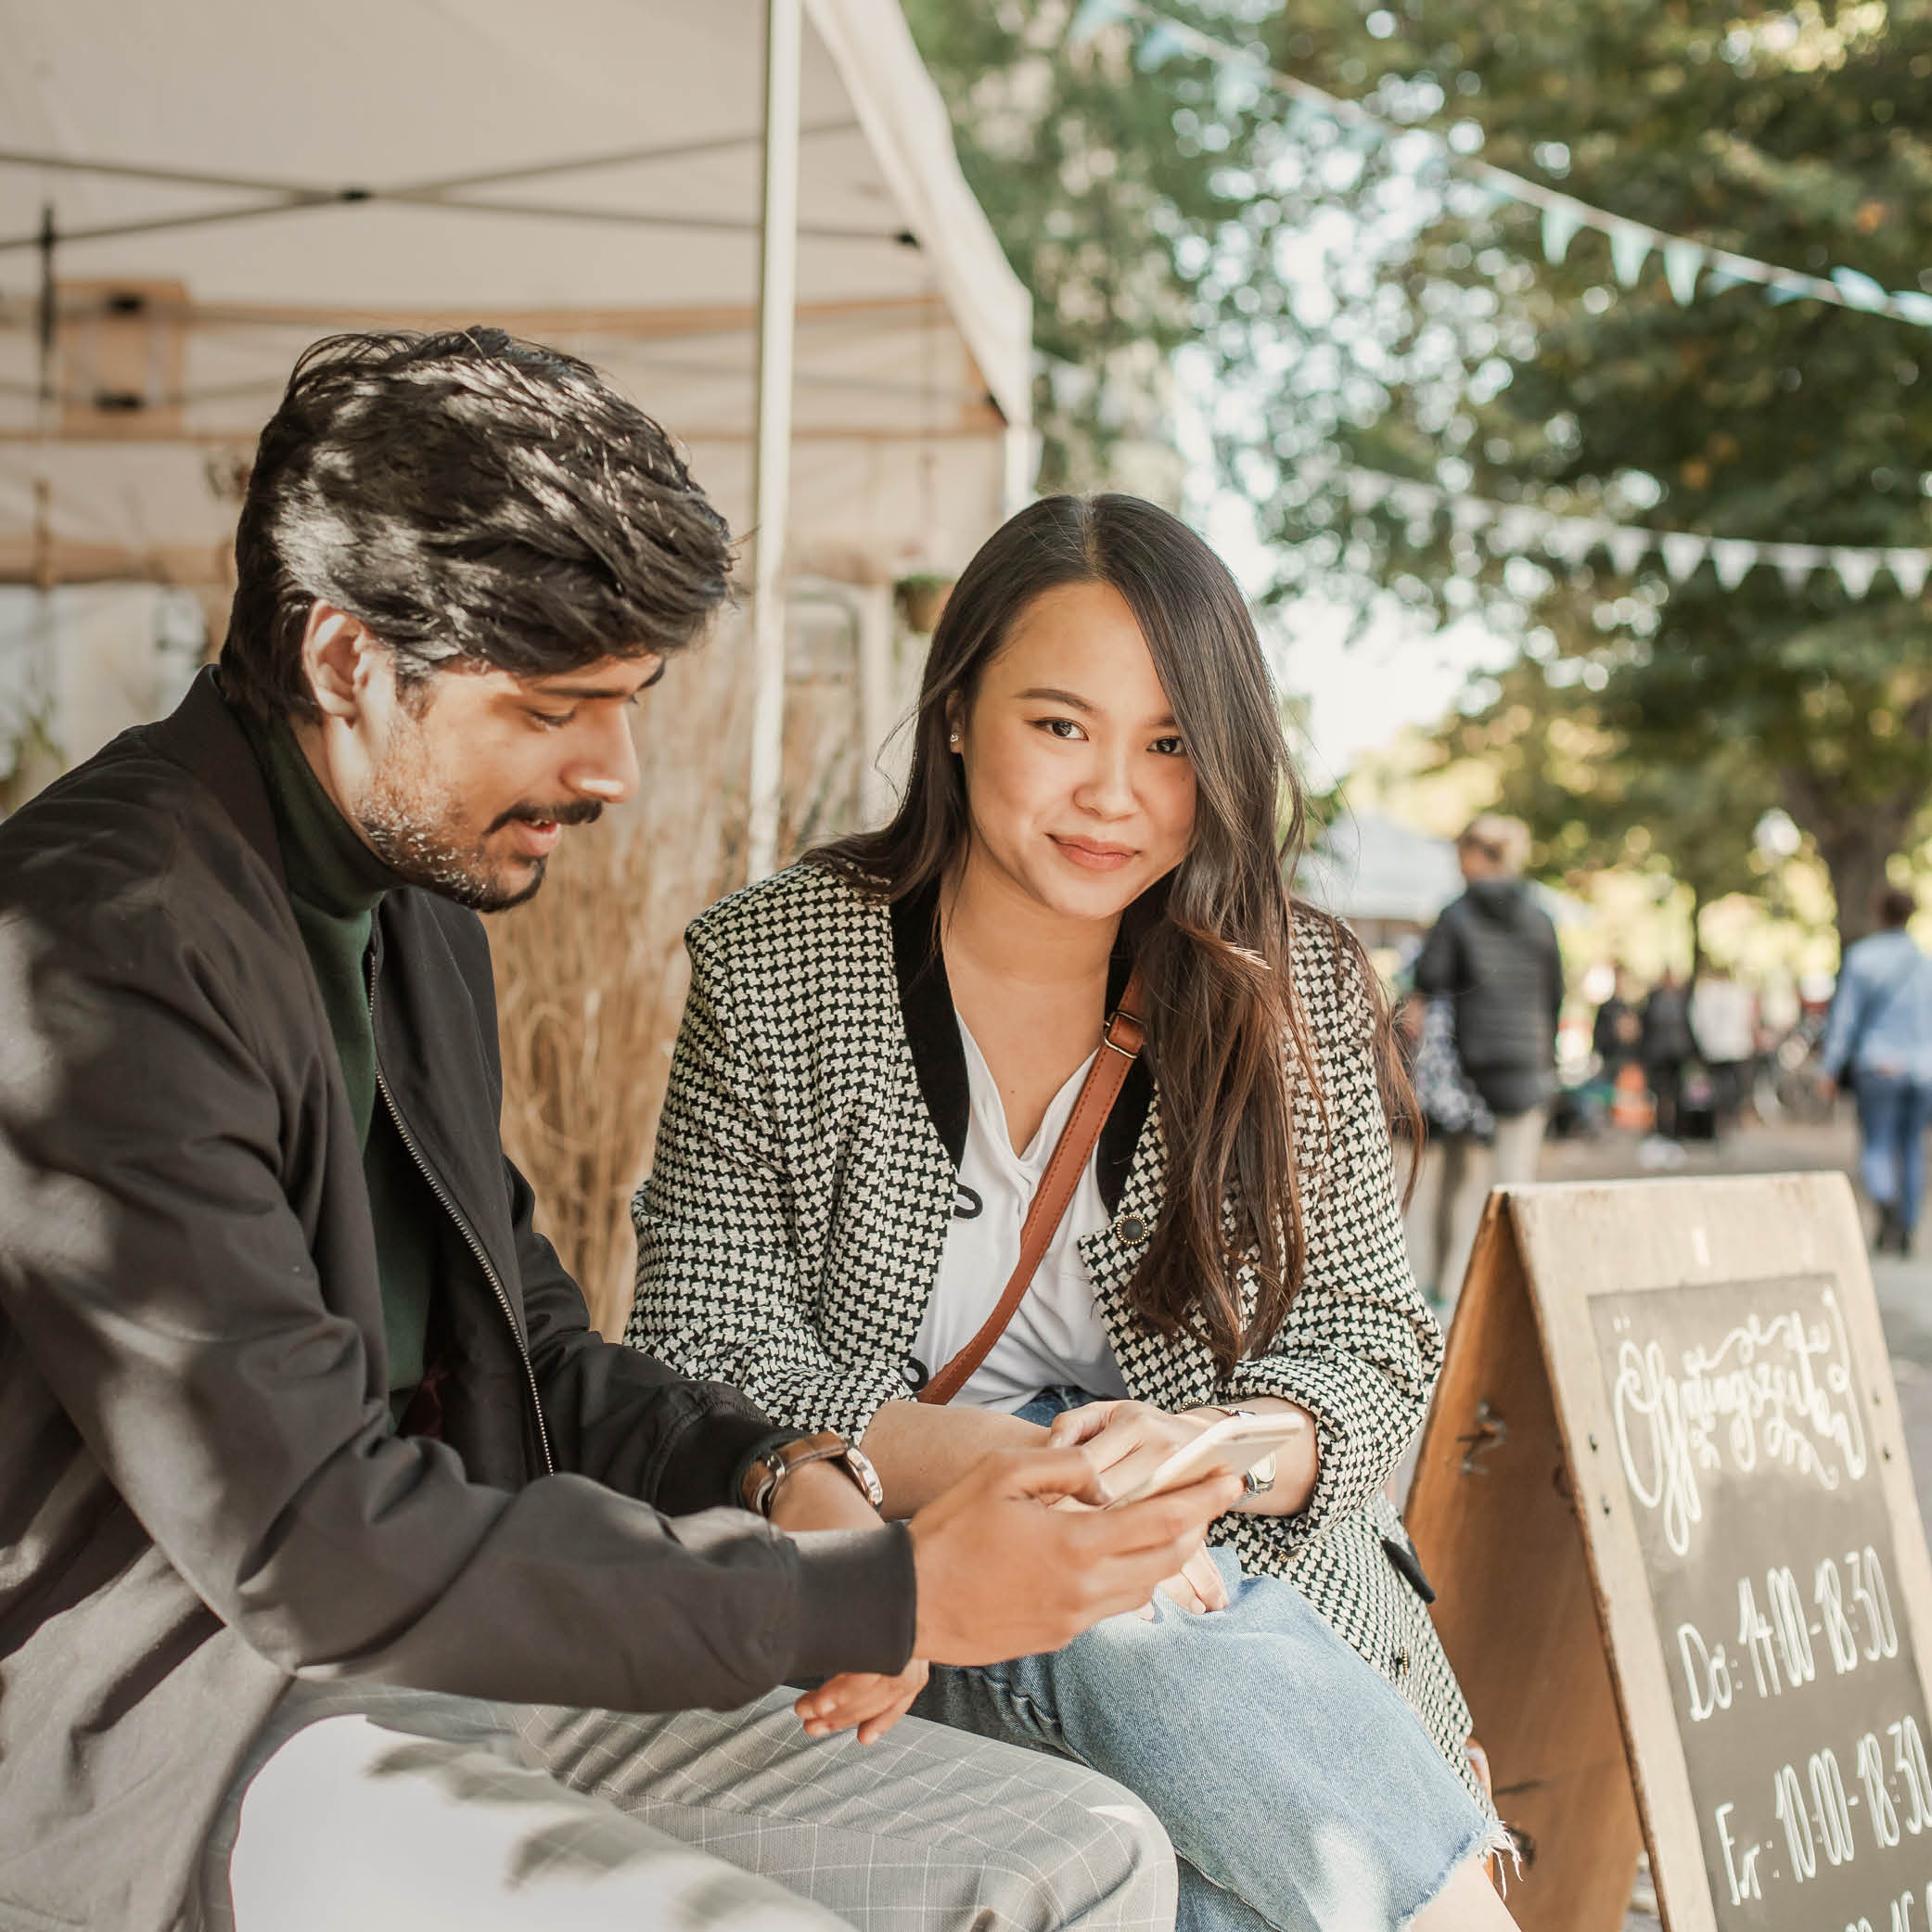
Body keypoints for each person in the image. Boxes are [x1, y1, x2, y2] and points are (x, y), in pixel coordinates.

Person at [0, 334, 1243, 1932]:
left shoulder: (418, 900)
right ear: (342, 659)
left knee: (1082, 1856)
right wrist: (885, 1586)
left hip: (461, 1656)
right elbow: (305, 1542)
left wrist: (781, 1465)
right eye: (551, 707)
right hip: (196, 1732)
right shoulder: (96, 944)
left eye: (631, 701)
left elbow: (527, 1341)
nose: (613, 772)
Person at [630, 494, 1517, 1932]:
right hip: (893, 1590)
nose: (1114, 793)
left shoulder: (1278, 991)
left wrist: (1203, 1456)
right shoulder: (775, 962)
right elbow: (692, 1340)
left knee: (1196, 1868)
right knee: (1098, 1585)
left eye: (1168, 745)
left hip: (1247, 1616)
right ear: (958, 708)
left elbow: (1367, 1338)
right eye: (1061, 725)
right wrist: (999, 1463)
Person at [1411, 815, 1564, 1303]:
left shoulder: (1455, 916)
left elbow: (1428, 984)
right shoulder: (1542, 917)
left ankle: (1449, 1293)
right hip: (1528, 1069)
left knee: (1461, 1190)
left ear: (1480, 856)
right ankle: (1504, 1298)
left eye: (1462, 857)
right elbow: (1555, 994)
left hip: (1470, 1074)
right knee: (1514, 1189)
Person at [1820, 884, 1932, 1254]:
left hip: (1879, 1066)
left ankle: (1886, 1205)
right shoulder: (1924, 962)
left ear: (1878, 913)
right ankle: (1908, 1223)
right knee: (1911, 1147)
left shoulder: (1863, 959)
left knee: (1877, 1144)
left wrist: (1830, 1068)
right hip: (1922, 1070)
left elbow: (1845, 1019)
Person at [1690, 963, 1758, 1137]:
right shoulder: (1738, 992)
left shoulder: (1705, 994)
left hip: (1714, 1048)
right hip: (1736, 1047)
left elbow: (1697, 1022)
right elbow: (1749, 1017)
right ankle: (1731, 1117)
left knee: (1718, 1086)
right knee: (1734, 1087)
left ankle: (1720, 1118)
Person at [1641, 969, 1696, 1145]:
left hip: (1677, 1055)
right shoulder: (1655, 1000)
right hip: (1659, 1055)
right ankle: (1661, 1128)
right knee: (1660, 1093)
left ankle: (1677, 1129)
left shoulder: (1682, 999)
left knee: (1678, 1093)